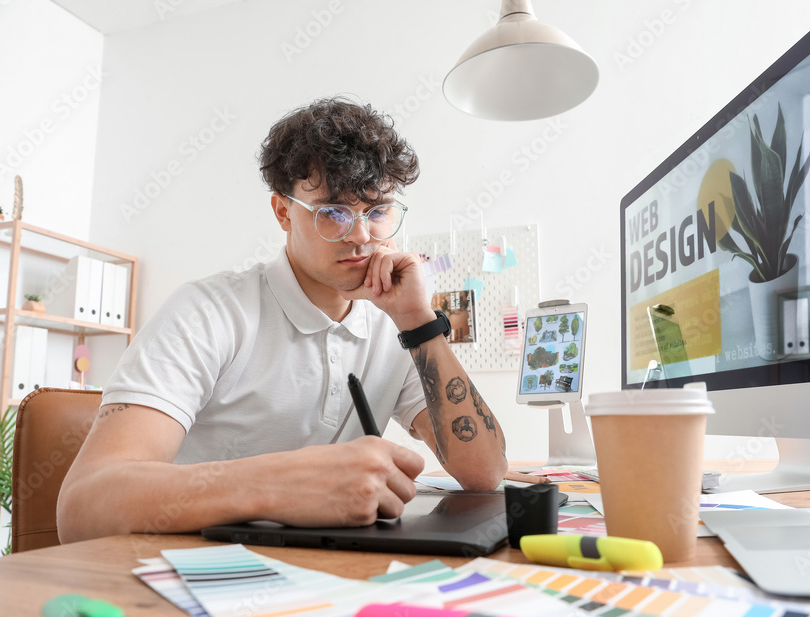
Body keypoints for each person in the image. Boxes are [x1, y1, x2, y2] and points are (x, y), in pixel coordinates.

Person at [57, 97, 508, 543]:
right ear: (282, 212)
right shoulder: (208, 313)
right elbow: (82, 506)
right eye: (333, 212)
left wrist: (418, 321)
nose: (361, 236)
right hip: (191, 577)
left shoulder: (396, 325)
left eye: (377, 211)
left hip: (319, 577)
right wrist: (276, 483)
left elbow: (484, 472)